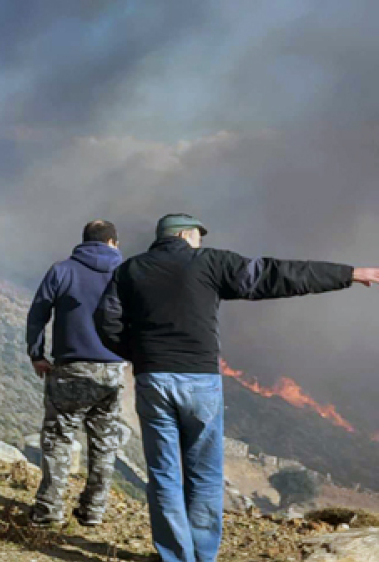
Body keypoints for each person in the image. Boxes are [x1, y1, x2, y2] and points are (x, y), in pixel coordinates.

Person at [95, 214, 379, 562]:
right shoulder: (209, 262)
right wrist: (349, 274)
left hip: (153, 379)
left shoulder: (131, 270)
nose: (199, 242)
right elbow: (275, 275)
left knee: (163, 472)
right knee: (204, 472)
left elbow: (105, 320)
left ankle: (175, 557)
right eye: (197, 236)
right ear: (185, 235)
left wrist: (141, 354)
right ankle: (203, 556)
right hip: (200, 380)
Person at [26, 220, 127, 527]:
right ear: (113, 242)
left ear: (84, 241)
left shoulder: (63, 271)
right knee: (104, 442)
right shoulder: (128, 273)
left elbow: (38, 314)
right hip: (112, 371)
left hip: (69, 369)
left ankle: (49, 511)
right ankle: (93, 510)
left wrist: (37, 354)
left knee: (58, 439)